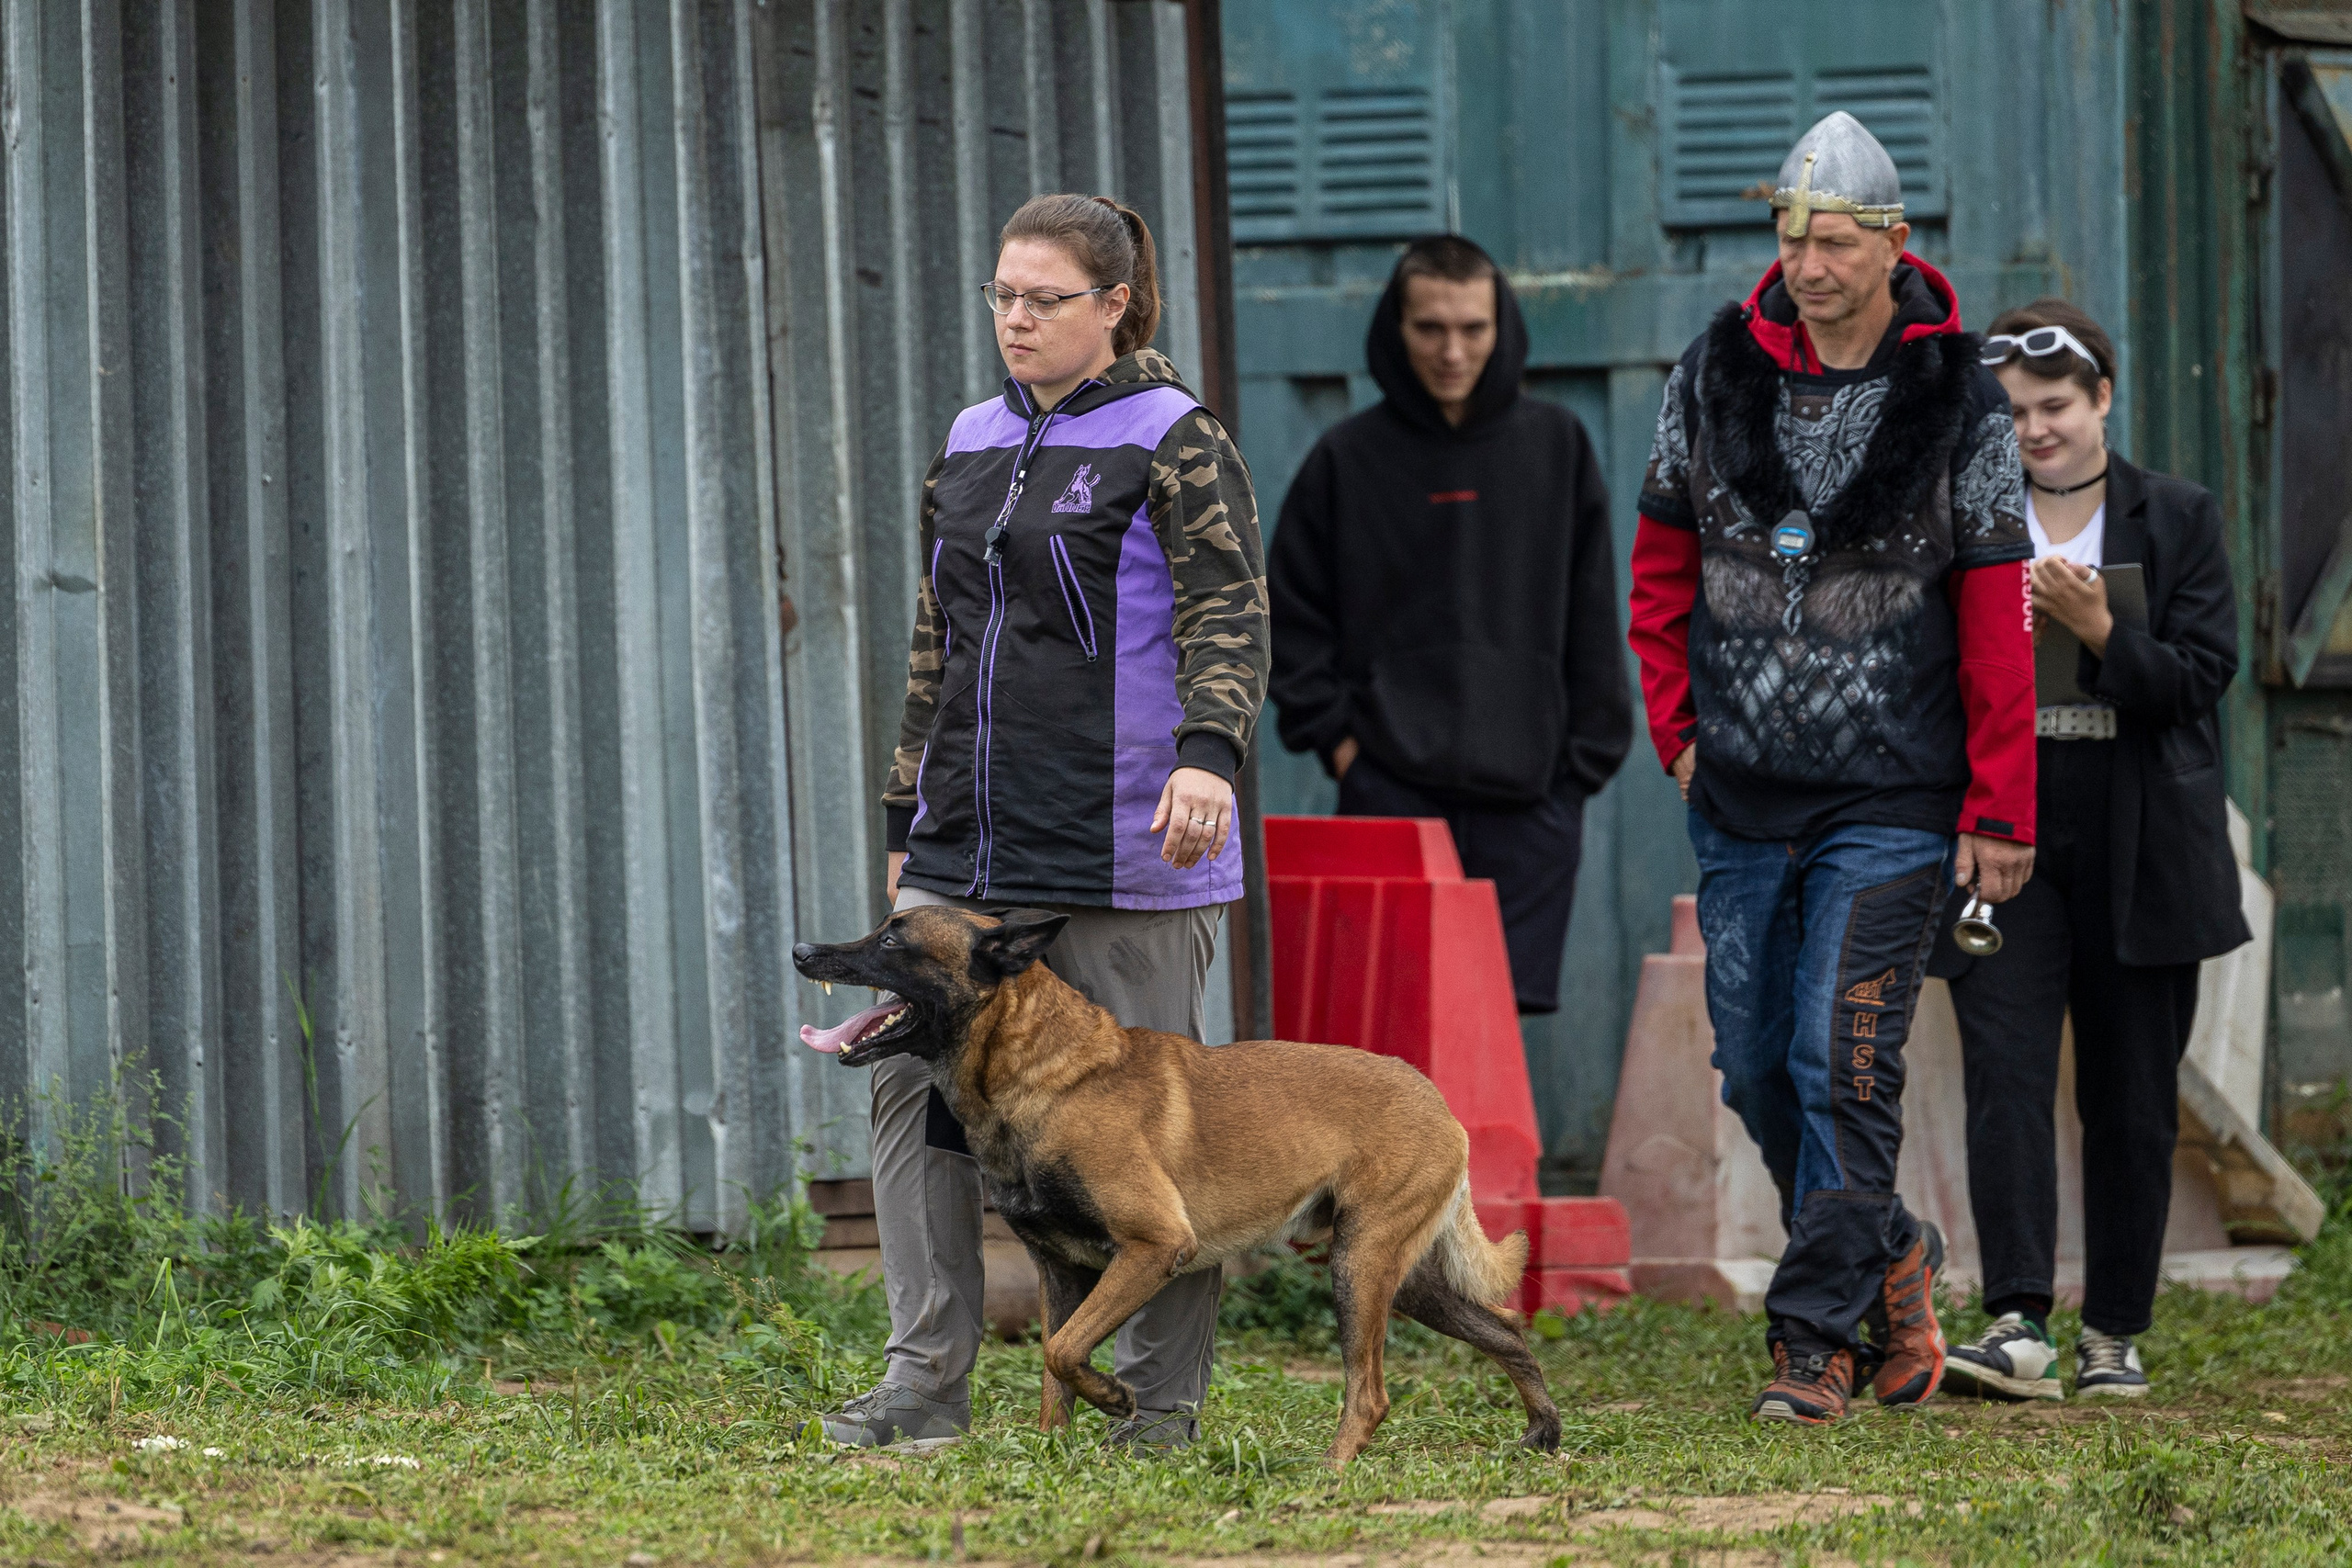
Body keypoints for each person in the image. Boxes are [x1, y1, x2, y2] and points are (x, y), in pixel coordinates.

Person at [821, 193, 1268, 1453]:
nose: (1017, 318)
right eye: (1003, 296)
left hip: (1131, 834)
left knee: (1152, 1128)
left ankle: (1158, 1409)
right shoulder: (969, 439)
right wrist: (909, 812)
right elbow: (936, 642)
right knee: (914, 1093)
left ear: (1114, 305)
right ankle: (924, 1382)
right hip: (972, 840)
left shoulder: (1178, 436)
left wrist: (1208, 757)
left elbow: (1230, 612)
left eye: (1045, 298)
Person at [1626, 111, 2039, 1425]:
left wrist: (2000, 802)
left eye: (1837, 239)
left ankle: (1812, 1341)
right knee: (1753, 1061)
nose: (1809, 261)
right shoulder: (1711, 372)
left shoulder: (1961, 394)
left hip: (1895, 793)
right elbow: (1658, 567)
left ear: (1894, 244)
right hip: (1740, 787)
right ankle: (1894, 1251)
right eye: (1793, 235)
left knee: (1839, 1058)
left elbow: (1997, 611)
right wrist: (1677, 733)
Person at [1934, 300, 2248, 1404]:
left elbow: (2205, 677)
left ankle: (2113, 1331)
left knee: (2129, 1095)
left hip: (2142, 832)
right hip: (2008, 824)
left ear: (2102, 397)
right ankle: (2017, 1320)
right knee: (2006, 1073)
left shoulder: (2177, 514)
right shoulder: (1970, 519)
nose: (2034, 429)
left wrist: (2104, 631)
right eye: (2014, 411)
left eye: (2055, 406)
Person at [1267, 234, 1632, 1014]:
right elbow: (1287, 616)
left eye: (1473, 327)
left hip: (1532, 797)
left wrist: (1579, 770)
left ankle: (1489, 1150)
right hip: (1387, 795)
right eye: (1430, 327)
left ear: (1503, 327)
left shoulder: (1556, 446)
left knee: (1492, 1029)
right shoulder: (1346, 458)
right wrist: (1341, 747)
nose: (1453, 351)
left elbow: (1595, 610)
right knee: (1388, 1019)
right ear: (1395, 330)